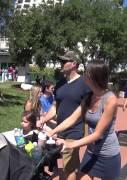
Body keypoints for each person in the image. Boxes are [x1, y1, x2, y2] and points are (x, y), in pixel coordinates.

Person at [48, 61, 120, 179]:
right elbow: (72, 119)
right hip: (91, 151)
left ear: (94, 77)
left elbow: (97, 134)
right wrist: (52, 131)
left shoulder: (110, 100)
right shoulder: (88, 97)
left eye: (86, 72)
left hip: (108, 154)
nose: (84, 74)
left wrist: (70, 144)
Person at [40, 50, 91, 180]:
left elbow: (89, 109)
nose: (61, 63)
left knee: (68, 166)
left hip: (75, 130)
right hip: (61, 131)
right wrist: (43, 120)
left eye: (64, 61)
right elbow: (55, 107)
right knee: (70, 163)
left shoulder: (85, 83)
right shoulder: (60, 84)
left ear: (74, 64)